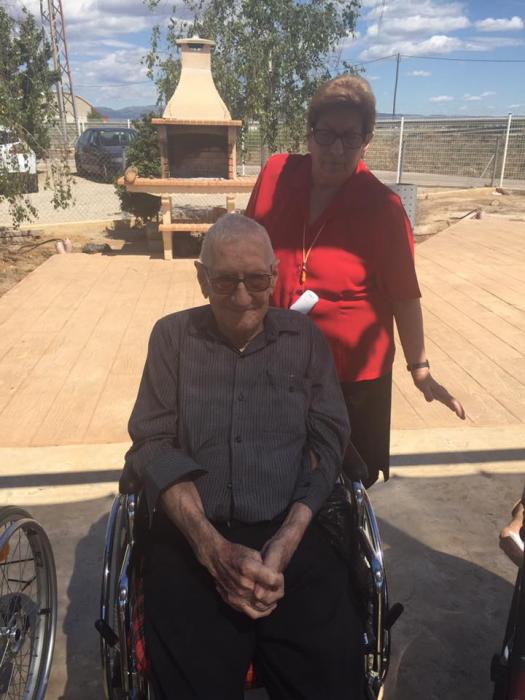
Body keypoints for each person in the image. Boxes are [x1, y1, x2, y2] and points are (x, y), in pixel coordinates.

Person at [120, 213, 364, 699]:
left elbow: (329, 438)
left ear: (274, 275)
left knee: (330, 681)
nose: (242, 297)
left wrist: (288, 540)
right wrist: (212, 550)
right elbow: (152, 440)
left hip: (293, 528)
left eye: (255, 280)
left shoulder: (303, 339)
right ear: (201, 278)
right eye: (224, 281)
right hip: (194, 533)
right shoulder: (172, 338)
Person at [246, 74, 465, 487]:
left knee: (344, 484)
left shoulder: (383, 207)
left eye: (350, 137)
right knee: (274, 470)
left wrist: (419, 368)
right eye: (326, 134)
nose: (336, 149)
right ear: (309, 133)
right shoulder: (277, 174)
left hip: (351, 373)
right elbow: (246, 242)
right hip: (277, 358)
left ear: (367, 140)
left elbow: (404, 295)